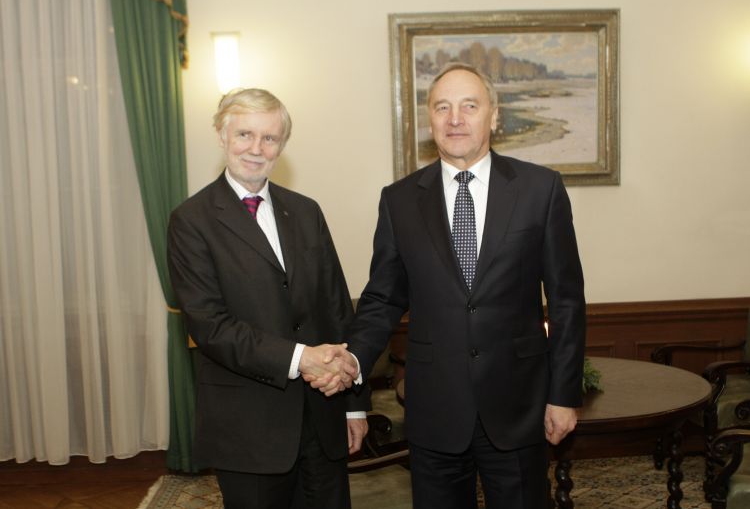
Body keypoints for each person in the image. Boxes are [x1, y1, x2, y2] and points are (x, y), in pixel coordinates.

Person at [327, 63, 586, 509]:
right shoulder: (399, 200)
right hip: (435, 410)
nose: (455, 119)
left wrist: (563, 395)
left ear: (494, 116)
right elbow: (383, 298)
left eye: (469, 106)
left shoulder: (540, 189)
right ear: (429, 119)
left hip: (518, 406)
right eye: (442, 107)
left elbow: (566, 301)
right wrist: (352, 360)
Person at [167, 87, 368, 509]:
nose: (256, 149)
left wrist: (354, 406)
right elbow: (210, 326)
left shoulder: (307, 211)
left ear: (282, 145)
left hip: (323, 417)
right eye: (245, 134)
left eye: (270, 138)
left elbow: (336, 308)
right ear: (222, 136)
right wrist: (301, 358)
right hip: (249, 430)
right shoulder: (191, 221)